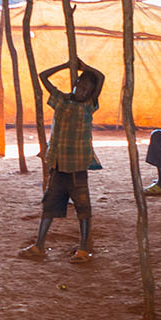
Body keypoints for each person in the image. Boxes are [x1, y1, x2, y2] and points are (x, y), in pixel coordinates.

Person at [18, 57, 105, 263]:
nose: (83, 91)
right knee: (49, 206)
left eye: (87, 89)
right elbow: (43, 76)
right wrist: (66, 65)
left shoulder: (89, 106)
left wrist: (84, 67)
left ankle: (83, 249)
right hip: (57, 167)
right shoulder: (60, 100)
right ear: (75, 84)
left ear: (92, 93)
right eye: (81, 85)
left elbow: (100, 77)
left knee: (83, 208)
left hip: (77, 168)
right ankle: (39, 245)